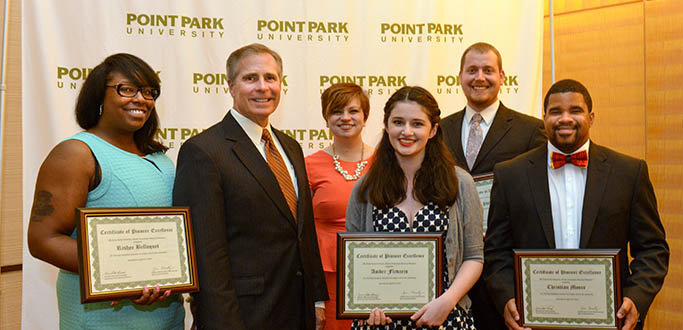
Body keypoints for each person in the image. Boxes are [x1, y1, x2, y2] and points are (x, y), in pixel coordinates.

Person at [484, 79, 669, 330]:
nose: (565, 118)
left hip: (610, 319)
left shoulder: (628, 172)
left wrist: (636, 298)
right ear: (544, 117)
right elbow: (496, 251)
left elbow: (652, 249)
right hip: (533, 321)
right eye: (556, 112)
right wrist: (506, 298)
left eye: (575, 111)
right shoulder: (510, 175)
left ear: (591, 117)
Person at [173, 43, 328, 330]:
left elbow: (303, 232)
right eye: (250, 78)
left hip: (297, 311)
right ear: (230, 86)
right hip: (243, 316)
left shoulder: (290, 147)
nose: (262, 87)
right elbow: (206, 255)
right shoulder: (203, 152)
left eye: (270, 78)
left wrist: (317, 299)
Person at [26, 53, 185, 329]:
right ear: (99, 96)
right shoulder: (76, 153)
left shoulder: (160, 158)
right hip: (103, 320)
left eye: (149, 92)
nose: (141, 99)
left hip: (167, 317)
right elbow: (44, 239)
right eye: (126, 89)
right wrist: (125, 277)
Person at [346, 86, 483, 329]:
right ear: (386, 126)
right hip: (382, 321)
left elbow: (473, 257)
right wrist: (367, 304)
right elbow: (356, 261)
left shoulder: (460, 183)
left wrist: (447, 302)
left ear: (433, 130)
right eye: (398, 122)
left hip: (445, 317)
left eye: (417, 124)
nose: (406, 132)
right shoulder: (364, 189)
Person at [439, 42, 546, 330]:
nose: (479, 77)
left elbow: (539, 200)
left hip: (505, 270)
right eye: (471, 70)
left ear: (502, 76)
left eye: (488, 70)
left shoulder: (531, 130)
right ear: (459, 76)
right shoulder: (439, 130)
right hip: (452, 271)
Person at [305, 83, 374, 330]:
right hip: (327, 281)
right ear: (326, 118)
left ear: (365, 116)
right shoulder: (309, 165)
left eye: (353, 111)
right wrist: (315, 299)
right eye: (336, 111)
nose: (345, 118)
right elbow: (302, 232)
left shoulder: (386, 165)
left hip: (375, 273)